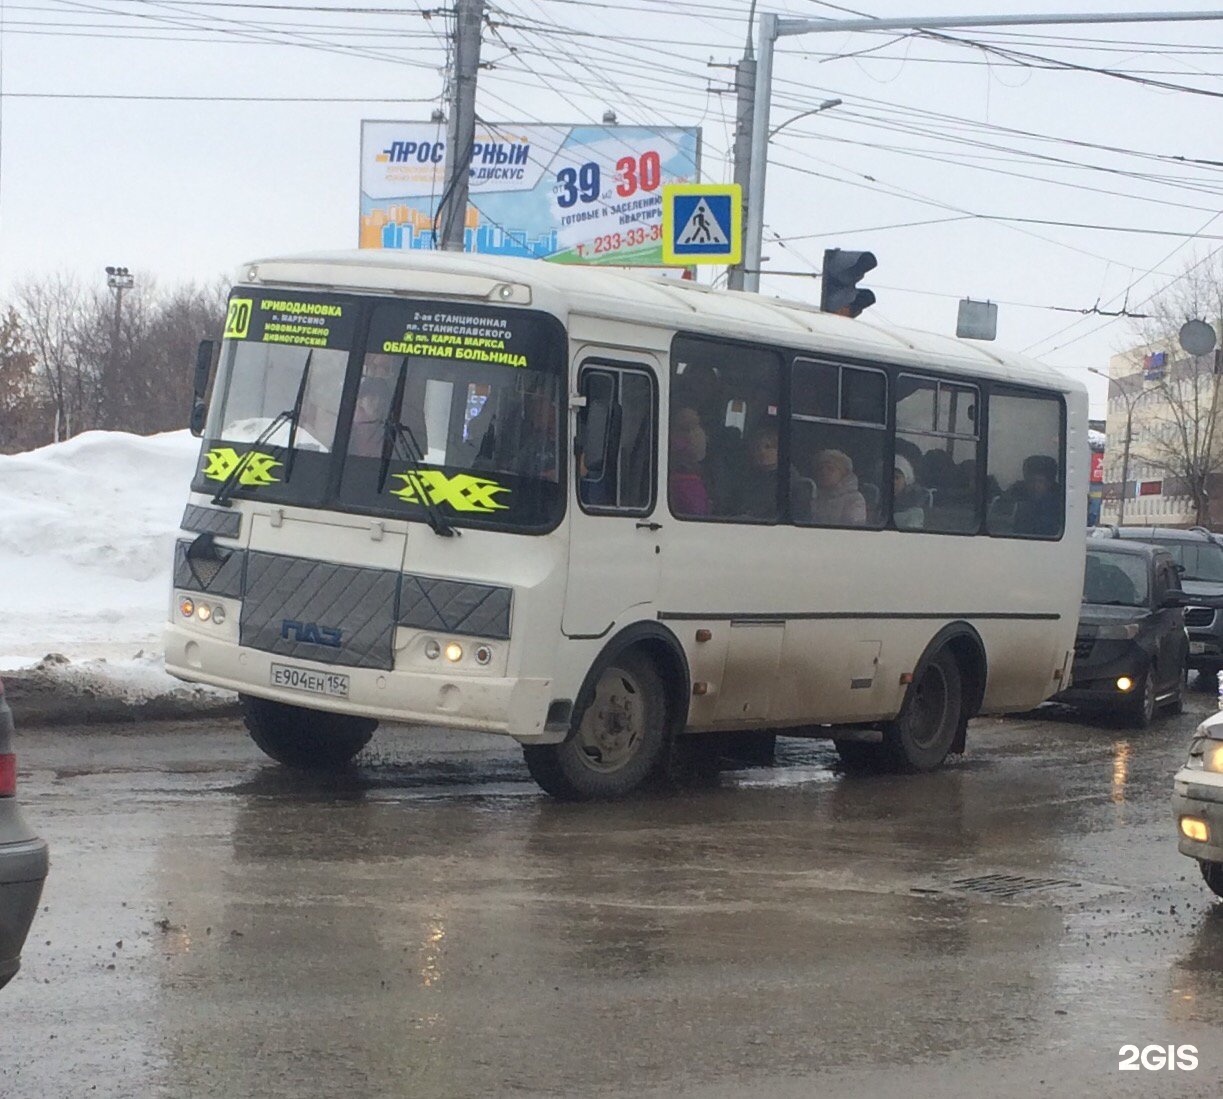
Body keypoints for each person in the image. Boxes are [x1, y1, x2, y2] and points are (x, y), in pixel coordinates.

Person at [669, 404, 710, 517]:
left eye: (697, 427)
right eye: (685, 429)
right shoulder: (682, 479)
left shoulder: (707, 471)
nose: (694, 434)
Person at [811, 448, 868, 526]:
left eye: (830, 468)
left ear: (843, 473)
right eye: (820, 469)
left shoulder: (855, 499)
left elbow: (854, 529)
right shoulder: (814, 496)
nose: (824, 472)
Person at [1012, 454, 1062, 536]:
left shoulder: (1058, 503)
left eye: (1040, 481)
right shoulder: (1017, 493)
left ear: (1049, 483)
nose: (1035, 486)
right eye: (1031, 481)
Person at [349, 376, 392, 457]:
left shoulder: (391, 433)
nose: (378, 403)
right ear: (360, 401)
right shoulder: (348, 433)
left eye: (382, 399)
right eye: (372, 398)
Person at [892, 455, 926, 529]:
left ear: (906, 481)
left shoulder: (915, 512)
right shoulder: (876, 503)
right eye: (889, 477)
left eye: (896, 478)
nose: (893, 482)